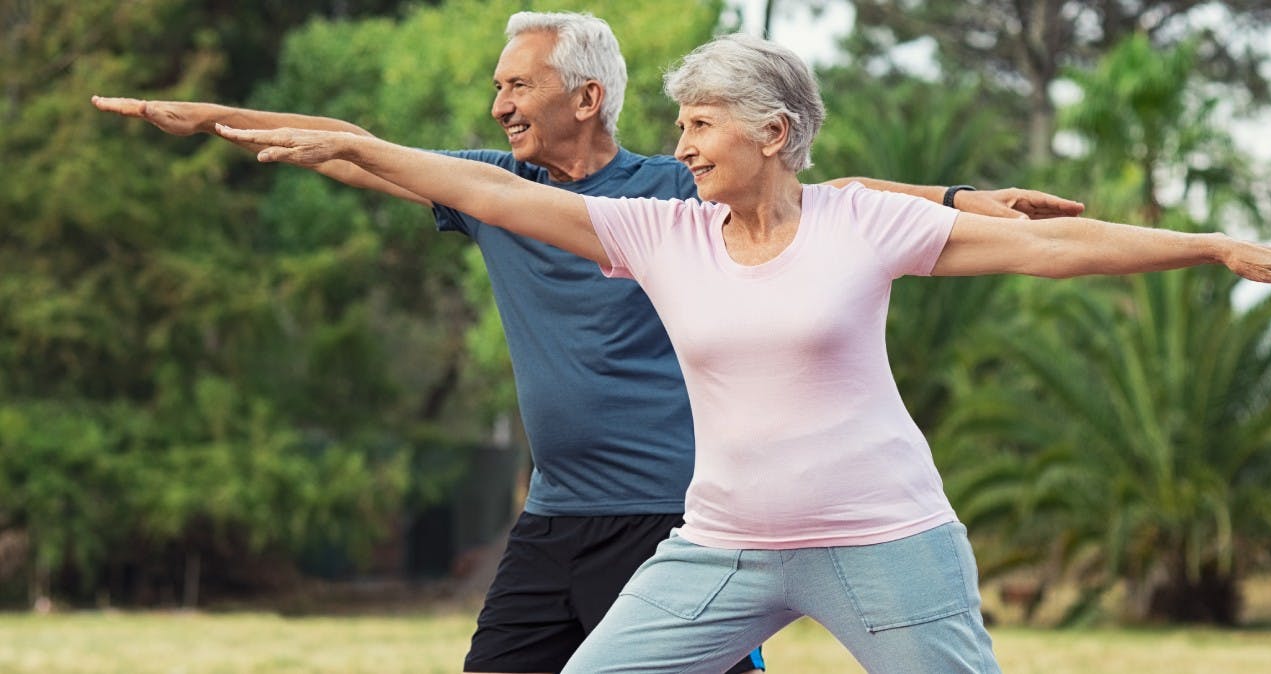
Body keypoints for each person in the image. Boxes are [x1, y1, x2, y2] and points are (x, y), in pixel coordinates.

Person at [207, 30, 1271, 672]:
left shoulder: (862, 218)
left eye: (699, 124)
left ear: (773, 133)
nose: (679, 145)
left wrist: (1208, 244)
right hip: (720, 549)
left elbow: (1051, 249)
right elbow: (475, 187)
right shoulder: (656, 232)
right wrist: (346, 145)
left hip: (885, 543)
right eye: (676, 125)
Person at [94, 12, 1086, 674]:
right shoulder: (495, 192)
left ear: (587, 96)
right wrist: (213, 118)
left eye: (517, 84)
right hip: (554, 516)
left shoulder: (675, 192)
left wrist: (959, 200)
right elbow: (352, 142)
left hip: (670, 520)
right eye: (496, 88)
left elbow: (833, 197)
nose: (499, 105)